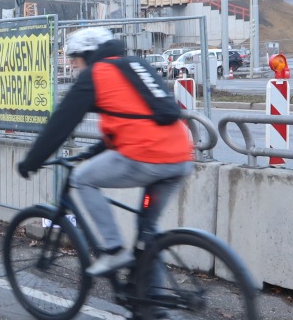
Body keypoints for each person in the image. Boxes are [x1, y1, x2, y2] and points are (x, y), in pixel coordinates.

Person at [17, 27, 194, 276]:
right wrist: (92, 151)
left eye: (76, 59)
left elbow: (61, 123)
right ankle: (150, 303)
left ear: (89, 55)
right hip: (180, 155)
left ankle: (113, 250)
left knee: (82, 179)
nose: (75, 66)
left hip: (146, 156)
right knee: (146, 232)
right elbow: (136, 118)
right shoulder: (135, 65)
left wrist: (32, 161)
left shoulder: (96, 74)